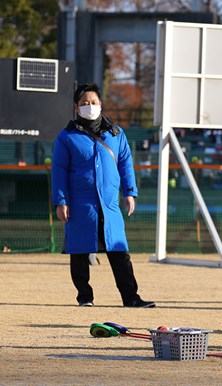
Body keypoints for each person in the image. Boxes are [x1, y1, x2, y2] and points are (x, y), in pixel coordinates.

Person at [51, 82, 155, 308]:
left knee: (119, 251)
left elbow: (126, 164)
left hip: (109, 205)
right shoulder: (66, 136)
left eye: (94, 102)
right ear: (76, 107)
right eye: (85, 103)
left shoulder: (116, 134)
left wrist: (130, 192)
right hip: (80, 204)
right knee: (79, 251)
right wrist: (60, 201)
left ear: (101, 104)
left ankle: (131, 298)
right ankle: (84, 297)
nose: (90, 106)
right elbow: (58, 170)